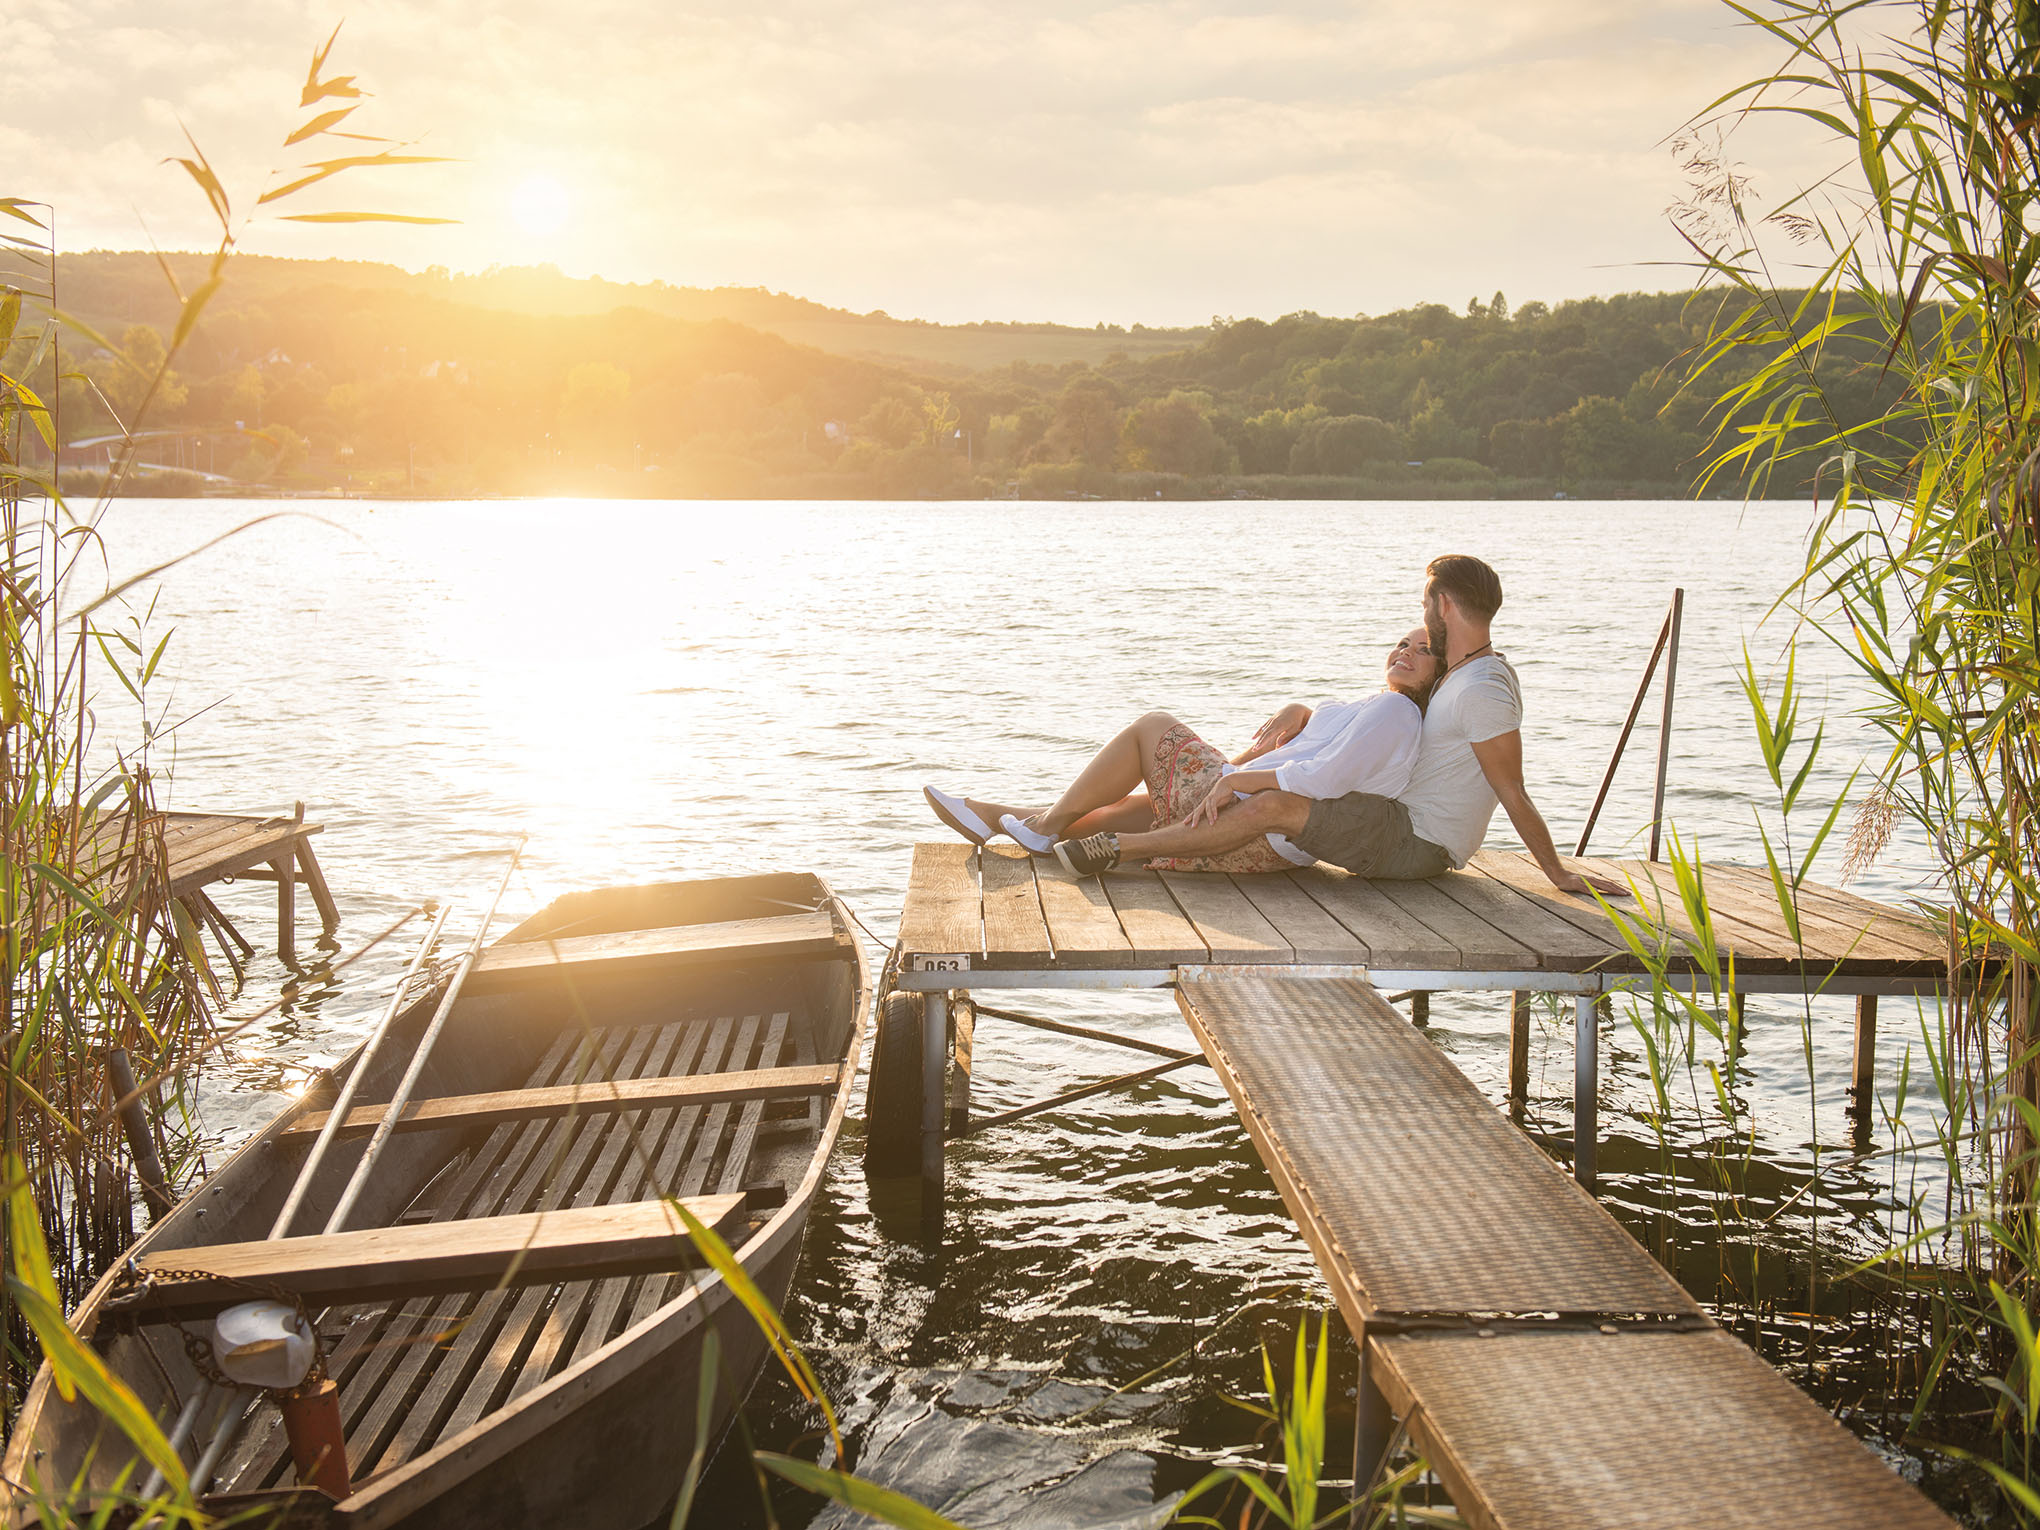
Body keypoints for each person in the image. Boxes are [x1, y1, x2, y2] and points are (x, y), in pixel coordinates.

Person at [1052, 555, 1616, 896]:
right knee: (1260, 797)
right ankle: (1049, 828)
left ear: (1441, 605)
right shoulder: (1462, 673)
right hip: (1397, 819)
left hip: (1416, 839)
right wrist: (1301, 711)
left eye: (1424, 605)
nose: (1419, 619)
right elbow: (1374, 729)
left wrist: (1556, 871)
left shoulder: (1482, 688)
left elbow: (1509, 787)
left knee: (1276, 805)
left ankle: (1118, 847)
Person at [922, 628, 1440, 874]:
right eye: (1403, 643)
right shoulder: (1376, 706)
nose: (1406, 652)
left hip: (1258, 819)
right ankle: (1006, 820)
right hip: (1265, 828)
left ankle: (1035, 824)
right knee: (1134, 807)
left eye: (1424, 651)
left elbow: (1325, 779)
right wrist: (1300, 710)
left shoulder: (1398, 713)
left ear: (1437, 675)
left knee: (1154, 727)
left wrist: (1237, 780)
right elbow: (1325, 749)